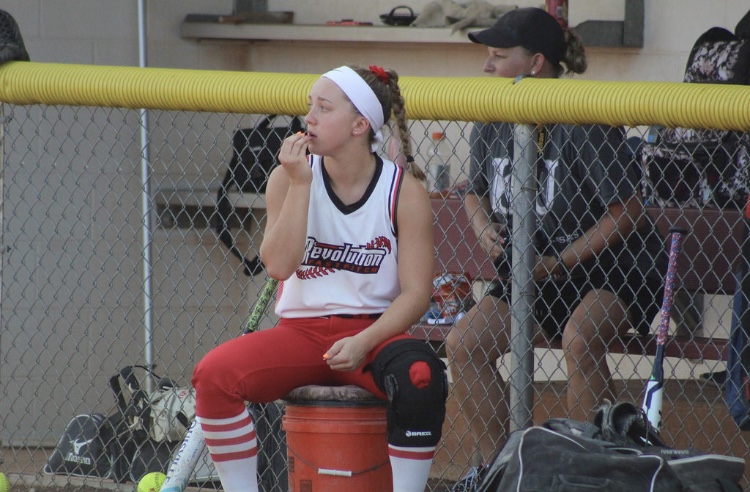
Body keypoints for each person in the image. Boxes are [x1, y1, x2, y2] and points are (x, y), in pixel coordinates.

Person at [192, 64, 448, 492]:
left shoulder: (403, 190)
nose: (308, 117)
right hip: (302, 334)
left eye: (323, 108)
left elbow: (417, 294)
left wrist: (364, 341)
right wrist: (299, 185)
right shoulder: (288, 178)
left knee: (422, 375)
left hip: (374, 333)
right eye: (310, 105)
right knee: (214, 376)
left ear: (359, 124)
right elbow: (278, 266)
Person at [445, 7, 668, 489]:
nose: (487, 67)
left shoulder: (580, 117)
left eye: (499, 56)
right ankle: (502, 470)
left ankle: (598, 472)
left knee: (580, 338)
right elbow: (473, 190)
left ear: (536, 63)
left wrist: (560, 261)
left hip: (611, 265)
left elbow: (626, 213)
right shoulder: (494, 112)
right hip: (535, 267)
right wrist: (483, 224)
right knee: (464, 346)